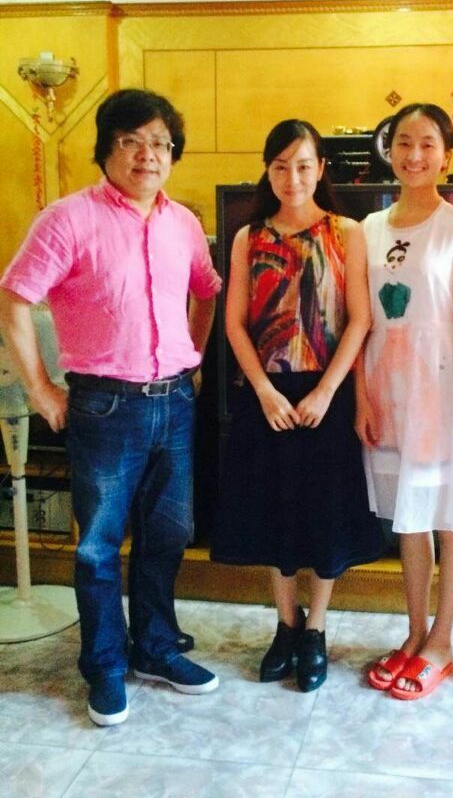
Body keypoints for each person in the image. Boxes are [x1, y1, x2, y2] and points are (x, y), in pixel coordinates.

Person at [0, 89, 222, 726]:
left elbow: (207, 290)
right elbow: (14, 299)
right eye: (131, 141)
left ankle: (154, 646)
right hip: (104, 406)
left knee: (167, 535)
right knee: (98, 546)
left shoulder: (183, 224)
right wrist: (41, 390)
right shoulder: (67, 219)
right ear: (106, 149)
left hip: (173, 402)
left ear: (173, 154)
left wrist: (193, 358)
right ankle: (104, 664)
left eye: (160, 144)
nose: (147, 155)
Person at [211, 119, 385, 692]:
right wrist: (263, 389)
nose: (293, 177)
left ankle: (316, 629)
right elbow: (234, 324)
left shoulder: (346, 232)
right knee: (274, 510)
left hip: (326, 392)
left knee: (326, 513)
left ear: (320, 169)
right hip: (267, 395)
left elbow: (360, 319)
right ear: (268, 171)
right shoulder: (249, 236)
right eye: (281, 166)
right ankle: (285, 624)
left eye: (304, 165)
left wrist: (328, 391)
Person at [356, 102, 453, 701]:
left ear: (446, 152)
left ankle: (442, 639)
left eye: (428, 143)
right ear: (389, 150)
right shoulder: (366, 227)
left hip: (441, 385)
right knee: (408, 517)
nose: (414, 155)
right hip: (385, 382)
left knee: (450, 514)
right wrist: (361, 397)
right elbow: (359, 320)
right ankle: (414, 631)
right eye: (404, 143)